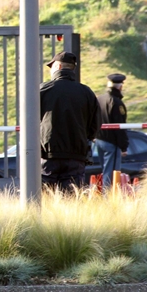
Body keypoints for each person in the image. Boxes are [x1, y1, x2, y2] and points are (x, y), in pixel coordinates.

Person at [39, 52, 101, 192]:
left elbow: (30, 121)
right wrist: (85, 139)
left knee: (45, 197)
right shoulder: (86, 92)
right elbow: (95, 124)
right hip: (76, 156)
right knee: (72, 197)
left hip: (48, 155)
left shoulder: (43, 90)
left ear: (58, 66)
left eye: (51, 67)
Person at [95, 73, 129, 190]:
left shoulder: (100, 99)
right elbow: (120, 126)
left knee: (105, 171)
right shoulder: (116, 103)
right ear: (120, 86)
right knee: (112, 174)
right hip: (111, 142)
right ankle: (108, 197)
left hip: (99, 140)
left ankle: (105, 194)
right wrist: (124, 146)